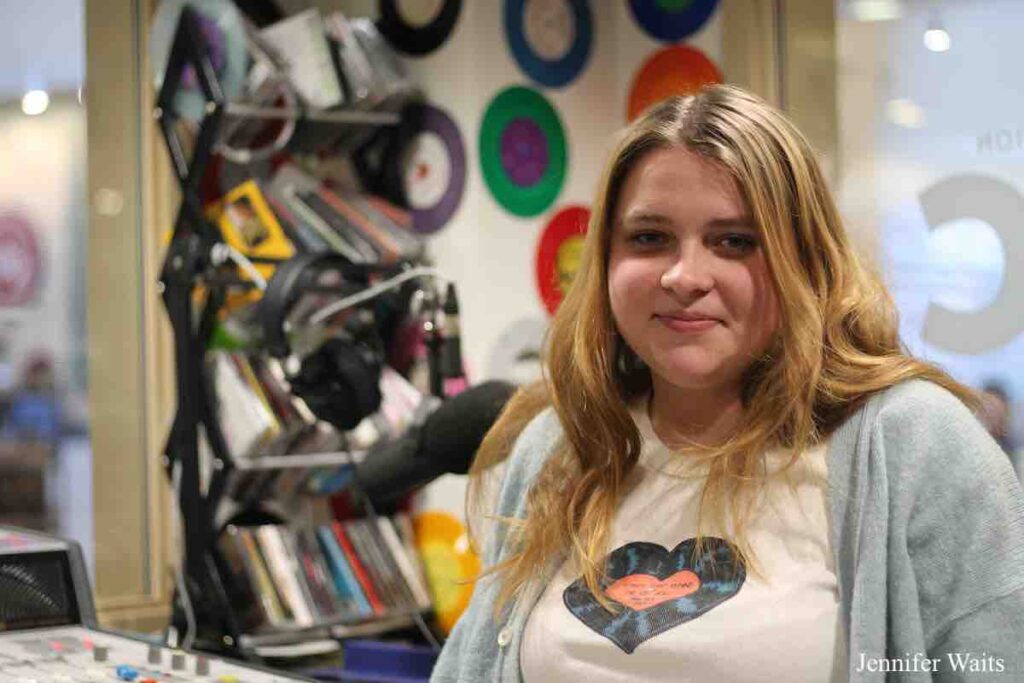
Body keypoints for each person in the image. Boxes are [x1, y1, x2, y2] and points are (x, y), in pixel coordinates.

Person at [430, 85, 1024, 682]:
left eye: (734, 242)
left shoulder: (913, 448)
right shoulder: (561, 445)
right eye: (649, 238)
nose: (685, 276)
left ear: (807, 260)